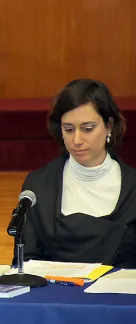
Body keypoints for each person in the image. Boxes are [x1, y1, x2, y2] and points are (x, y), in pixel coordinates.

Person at [17, 79, 136, 268]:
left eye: (88, 129)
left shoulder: (133, 188)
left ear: (109, 126)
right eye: (69, 129)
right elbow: (25, 261)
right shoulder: (38, 185)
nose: (77, 140)